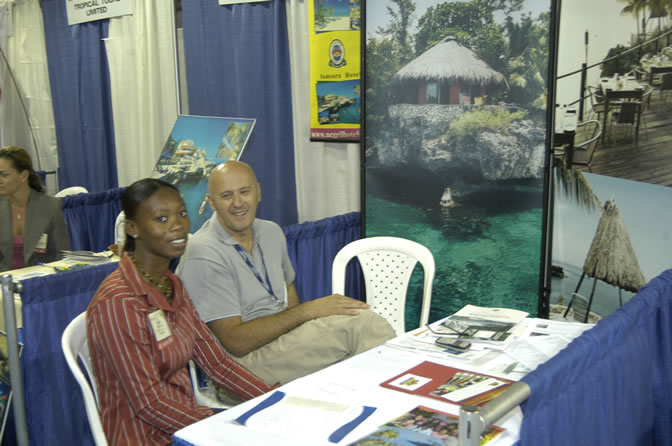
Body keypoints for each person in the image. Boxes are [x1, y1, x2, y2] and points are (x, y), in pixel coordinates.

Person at [86, 178, 274, 446]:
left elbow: (218, 364)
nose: (178, 225)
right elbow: (150, 403)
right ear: (133, 229)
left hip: (186, 427)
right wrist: (218, 429)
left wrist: (271, 401)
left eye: (182, 214)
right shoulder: (119, 301)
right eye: (161, 219)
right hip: (145, 437)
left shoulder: (172, 285)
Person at [177, 161, 396, 386]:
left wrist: (305, 331)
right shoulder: (202, 252)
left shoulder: (271, 232)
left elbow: (289, 293)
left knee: (358, 334)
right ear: (211, 202)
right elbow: (236, 343)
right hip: (238, 367)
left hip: (280, 343)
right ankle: (400, 399)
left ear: (258, 191)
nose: (238, 203)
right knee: (363, 326)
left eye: (244, 191)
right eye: (226, 196)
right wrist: (308, 312)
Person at [0, 146, 69, 271]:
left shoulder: (50, 206)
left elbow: (61, 255)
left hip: (40, 278)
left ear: (23, 176)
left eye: (4, 175)